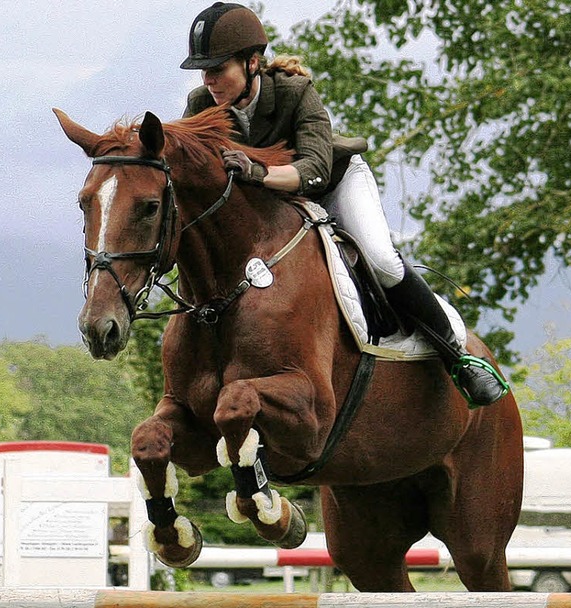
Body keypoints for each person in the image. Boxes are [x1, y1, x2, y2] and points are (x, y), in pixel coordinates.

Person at [180, 2, 509, 407]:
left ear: (252, 63)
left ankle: (458, 360)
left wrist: (257, 174)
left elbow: (314, 168)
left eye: (218, 68)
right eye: (204, 71)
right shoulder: (201, 105)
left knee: (381, 259)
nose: (209, 79)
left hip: (332, 183)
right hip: (269, 204)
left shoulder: (294, 92)